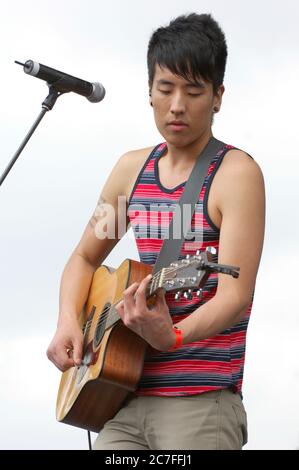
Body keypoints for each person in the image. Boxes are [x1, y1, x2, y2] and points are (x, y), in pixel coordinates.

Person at [47, 13, 265, 450]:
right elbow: (85, 257)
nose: (177, 105)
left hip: (199, 404)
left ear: (218, 96)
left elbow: (234, 294)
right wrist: (69, 321)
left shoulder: (236, 175)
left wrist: (175, 336)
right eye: (165, 89)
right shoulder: (132, 172)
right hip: (122, 398)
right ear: (149, 92)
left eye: (194, 90)